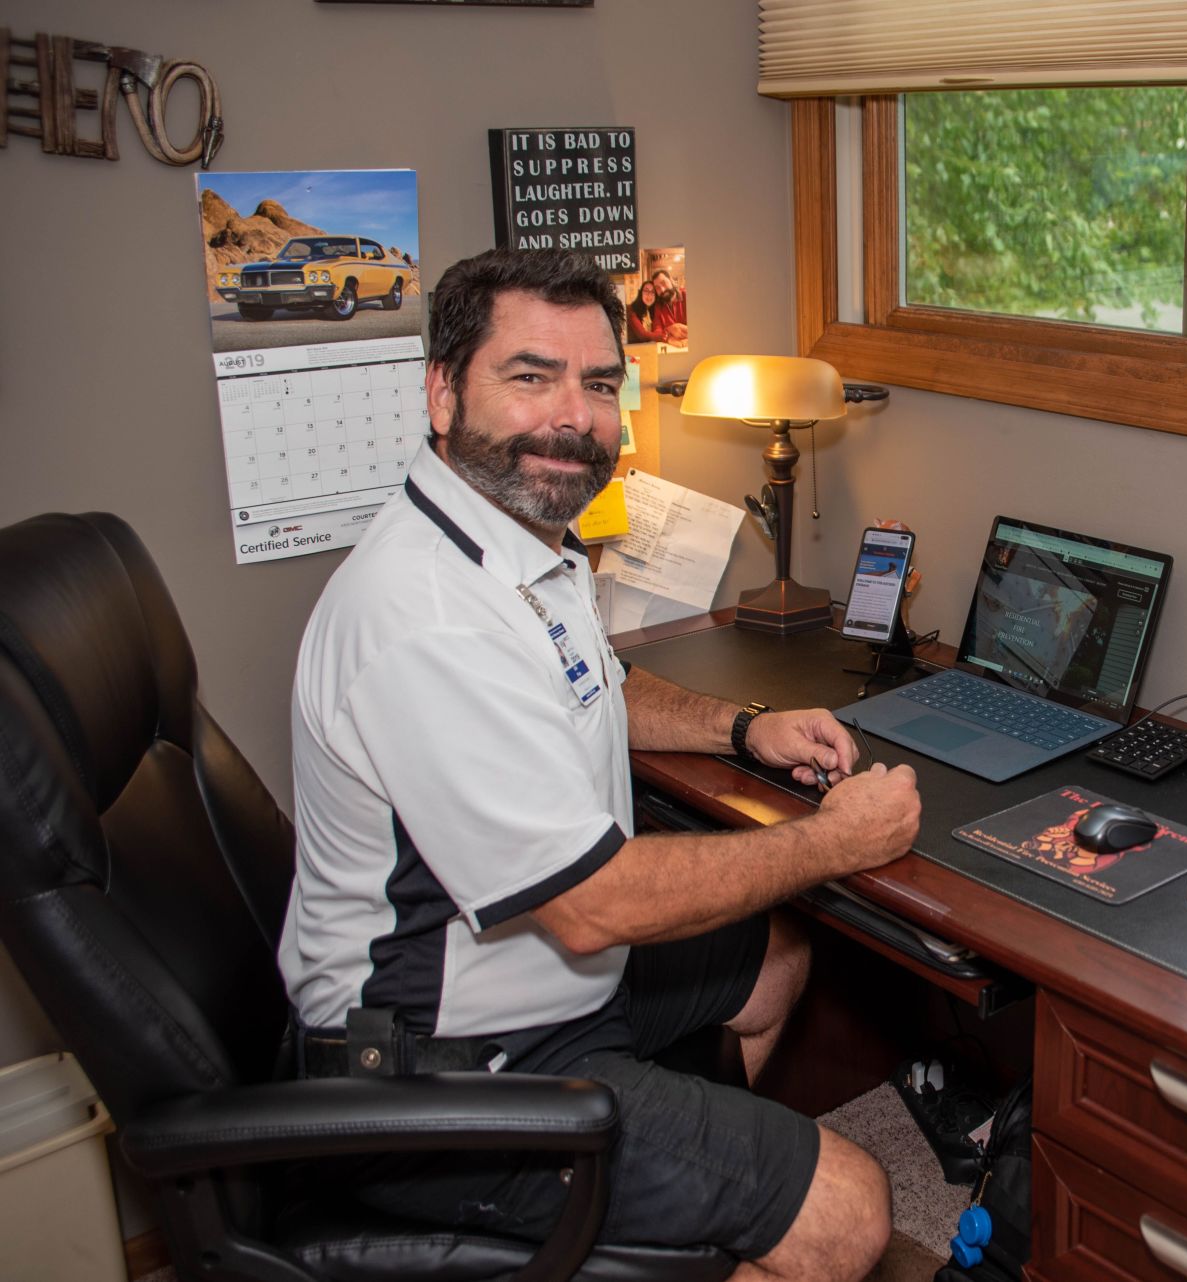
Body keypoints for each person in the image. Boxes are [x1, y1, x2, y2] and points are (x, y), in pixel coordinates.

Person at [279, 247, 921, 1281]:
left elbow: (595, 686)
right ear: (444, 392)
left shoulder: (518, 540)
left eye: (599, 384)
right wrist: (830, 840)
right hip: (439, 1070)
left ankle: (670, 1221)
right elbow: (593, 905)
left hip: (545, 988)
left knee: (776, 958)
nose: (572, 417)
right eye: (530, 377)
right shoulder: (423, 618)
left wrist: (743, 728)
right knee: (851, 1212)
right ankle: (695, 1216)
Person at [649, 266, 689, 345]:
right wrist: (669, 331)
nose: (662, 290)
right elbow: (657, 329)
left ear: (671, 280)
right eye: (657, 288)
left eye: (664, 283)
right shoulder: (658, 305)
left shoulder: (687, 296)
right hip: (673, 349)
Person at [627, 277, 669, 344]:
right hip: (632, 350)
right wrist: (663, 336)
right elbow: (642, 335)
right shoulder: (631, 309)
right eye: (646, 291)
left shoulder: (651, 310)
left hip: (647, 349)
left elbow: (658, 327)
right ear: (640, 293)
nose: (649, 295)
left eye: (652, 292)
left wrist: (658, 334)